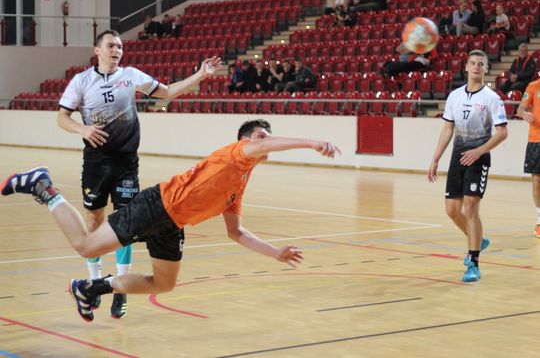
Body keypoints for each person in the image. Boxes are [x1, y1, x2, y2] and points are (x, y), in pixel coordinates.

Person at [0, 119, 340, 322]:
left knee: (164, 283)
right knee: (86, 246)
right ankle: (42, 186)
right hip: (155, 205)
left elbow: (236, 232)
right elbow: (270, 143)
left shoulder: (240, 182)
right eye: (261, 136)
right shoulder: (237, 152)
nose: (266, 141)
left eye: (268, 136)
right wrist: (312, 143)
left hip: (171, 224)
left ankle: (92, 288)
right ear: (247, 140)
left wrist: (275, 253)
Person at [57, 29, 221, 319]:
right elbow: (62, 117)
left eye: (120, 46)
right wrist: (83, 129)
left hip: (126, 163)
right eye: (111, 45)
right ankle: (94, 283)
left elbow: (168, 92)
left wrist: (200, 75)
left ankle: (120, 288)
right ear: (97, 50)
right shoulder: (81, 81)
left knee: (126, 225)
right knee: (94, 221)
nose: (116, 50)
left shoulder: (131, 75)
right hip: (96, 162)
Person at [427, 50, 508, 283]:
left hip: (478, 159)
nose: (476, 67)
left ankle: (473, 263)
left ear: (485, 68)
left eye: (480, 64)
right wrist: (435, 158)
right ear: (466, 67)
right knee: (452, 210)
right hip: (458, 158)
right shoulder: (454, 96)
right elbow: (447, 129)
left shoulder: (492, 98)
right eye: (472, 63)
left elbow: (502, 133)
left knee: (471, 207)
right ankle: (478, 239)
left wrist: (479, 151)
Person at [517, 80, 540, 238]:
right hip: (535, 140)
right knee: (536, 180)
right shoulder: (533, 86)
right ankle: (539, 219)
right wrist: (524, 114)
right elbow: (520, 109)